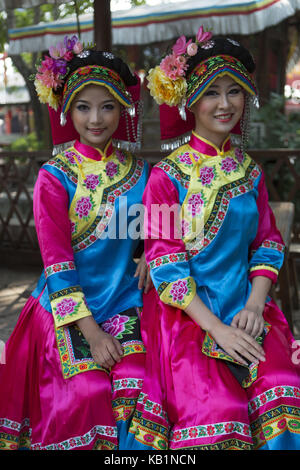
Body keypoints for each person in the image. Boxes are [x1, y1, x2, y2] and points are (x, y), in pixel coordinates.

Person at [129, 27, 300, 450]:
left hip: (246, 305)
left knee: (283, 385)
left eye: (234, 92)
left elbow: (267, 243)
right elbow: (166, 265)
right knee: (216, 408)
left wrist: (256, 306)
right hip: (186, 315)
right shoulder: (166, 177)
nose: (225, 104)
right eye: (211, 93)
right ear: (191, 101)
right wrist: (217, 329)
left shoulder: (251, 172)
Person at [0, 36, 151, 450]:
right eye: (83, 106)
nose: (96, 118)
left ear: (123, 109)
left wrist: (153, 254)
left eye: (107, 106)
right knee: (85, 391)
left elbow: (167, 229)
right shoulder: (54, 176)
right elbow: (57, 264)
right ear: (67, 110)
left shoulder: (144, 173)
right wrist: (93, 333)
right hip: (67, 311)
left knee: (137, 382)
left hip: (123, 303)